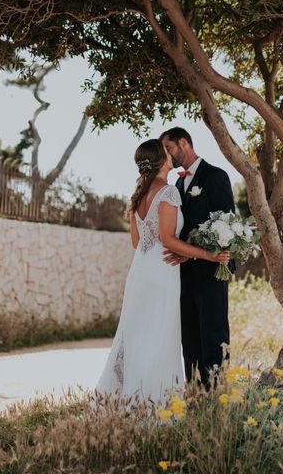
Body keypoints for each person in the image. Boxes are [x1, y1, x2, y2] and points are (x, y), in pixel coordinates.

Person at [95, 138, 229, 402]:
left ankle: (133, 398)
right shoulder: (168, 192)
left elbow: (137, 242)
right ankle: (154, 401)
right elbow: (168, 239)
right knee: (159, 335)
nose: (170, 155)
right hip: (162, 271)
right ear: (160, 160)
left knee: (138, 333)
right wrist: (208, 254)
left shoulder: (139, 195)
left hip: (141, 271)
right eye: (166, 152)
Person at [160, 127, 236, 389]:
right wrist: (181, 253)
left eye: (168, 149)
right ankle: (194, 393)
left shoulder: (216, 176)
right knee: (189, 337)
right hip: (183, 273)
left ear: (184, 143)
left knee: (214, 335)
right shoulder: (177, 185)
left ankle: (217, 394)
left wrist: (208, 254)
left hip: (211, 269)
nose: (167, 156)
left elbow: (226, 221)